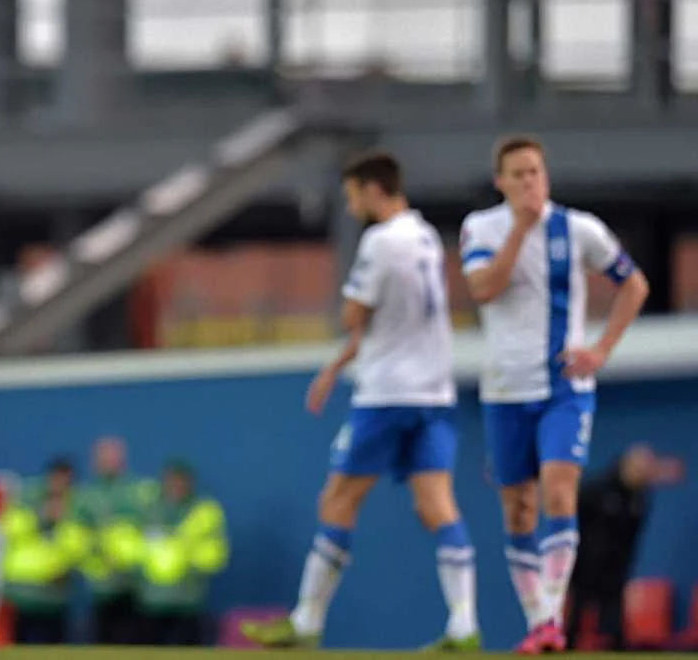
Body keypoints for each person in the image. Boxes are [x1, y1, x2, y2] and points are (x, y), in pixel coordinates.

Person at [243, 151, 479, 650]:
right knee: (437, 505)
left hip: (388, 394)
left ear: (374, 190)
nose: (350, 207)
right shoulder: (425, 238)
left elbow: (355, 314)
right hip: (434, 391)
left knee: (337, 500)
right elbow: (394, 323)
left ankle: (307, 621)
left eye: (351, 196)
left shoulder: (380, 241)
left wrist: (346, 348)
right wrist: (338, 363)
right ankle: (465, 625)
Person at [458, 135, 649, 654]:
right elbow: (482, 289)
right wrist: (520, 230)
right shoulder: (482, 227)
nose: (529, 182)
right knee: (518, 510)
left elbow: (634, 284)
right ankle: (541, 618)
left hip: (565, 386)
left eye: (536, 172)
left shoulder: (578, 228)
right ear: (501, 182)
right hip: (504, 390)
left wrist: (601, 349)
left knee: (559, 491)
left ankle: (550, 625)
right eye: (518, 174)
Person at [566, 444, 682, 650]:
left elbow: (632, 535)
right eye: (638, 467)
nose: (641, 473)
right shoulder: (597, 490)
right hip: (584, 565)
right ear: (625, 465)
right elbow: (570, 518)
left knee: (614, 625)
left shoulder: (639, 498)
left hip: (616, 569)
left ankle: (616, 648)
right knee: (576, 618)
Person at [136, 461, 228, 646]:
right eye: (172, 479)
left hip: (188, 604)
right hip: (151, 604)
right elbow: (132, 549)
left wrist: (183, 555)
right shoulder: (147, 510)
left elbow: (216, 555)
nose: (177, 485)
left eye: (182, 480)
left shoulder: (203, 512)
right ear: (164, 480)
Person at [74, 436, 155, 644]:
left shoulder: (141, 491)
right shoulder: (84, 495)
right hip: (101, 586)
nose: (109, 461)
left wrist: (132, 557)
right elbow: (75, 537)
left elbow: (152, 532)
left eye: (114, 456)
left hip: (137, 587)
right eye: (104, 456)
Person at [0, 457, 87, 644]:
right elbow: (10, 528)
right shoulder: (26, 498)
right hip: (21, 591)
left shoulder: (77, 507)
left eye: (66, 480)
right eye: (57, 478)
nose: (60, 485)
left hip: (55, 593)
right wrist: (41, 516)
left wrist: (62, 521)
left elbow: (77, 547)